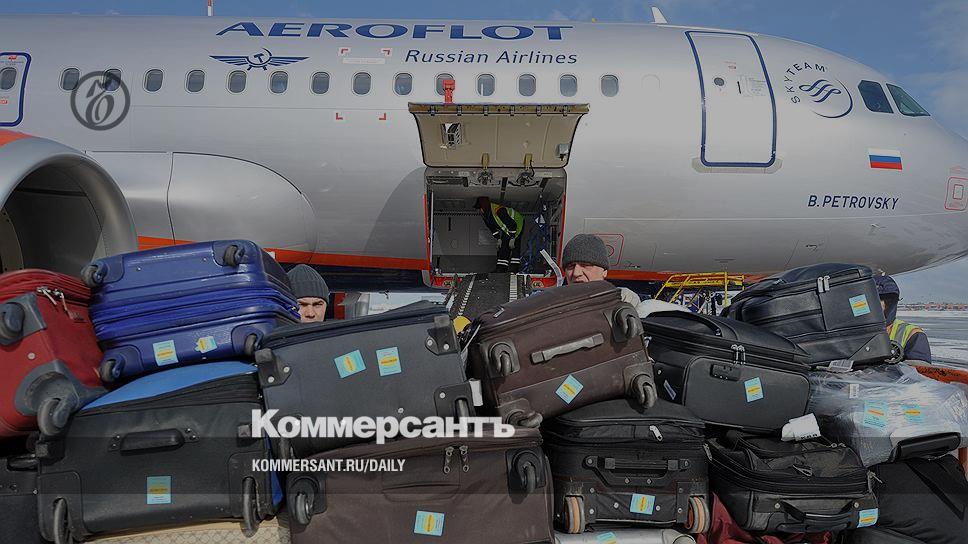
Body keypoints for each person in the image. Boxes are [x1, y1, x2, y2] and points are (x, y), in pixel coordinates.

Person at [561, 234, 641, 307]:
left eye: (586, 265)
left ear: (604, 271)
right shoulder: (556, 304)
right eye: (570, 266)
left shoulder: (623, 300)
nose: (576, 273)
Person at [875, 274, 931, 363]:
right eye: (873, 299)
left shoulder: (912, 334)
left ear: (892, 303)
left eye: (885, 300)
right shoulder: (852, 331)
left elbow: (919, 369)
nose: (879, 305)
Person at [475, 197, 524, 272]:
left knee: (514, 246)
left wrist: (513, 238)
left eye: (479, 208)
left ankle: (514, 269)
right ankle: (501, 269)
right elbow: (492, 229)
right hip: (507, 229)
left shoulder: (499, 211)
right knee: (503, 247)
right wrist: (498, 239)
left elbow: (512, 224)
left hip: (517, 223)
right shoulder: (486, 216)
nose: (478, 211)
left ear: (484, 207)